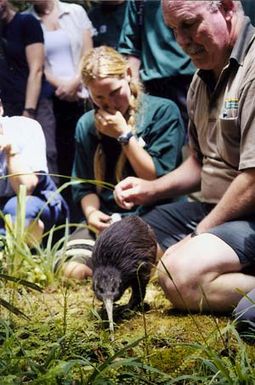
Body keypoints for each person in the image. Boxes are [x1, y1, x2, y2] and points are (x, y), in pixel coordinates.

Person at [114, 0, 255, 313]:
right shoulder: (201, 79)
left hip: (248, 216)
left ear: (228, 8)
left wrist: (200, 233)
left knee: (177, 276)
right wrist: (150, 189)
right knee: (126, 241)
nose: (181, 40)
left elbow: (252, 180)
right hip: (213, 208)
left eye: (189, 24)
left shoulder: (252, 72)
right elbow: (198, 162)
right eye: (173, 30)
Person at [60, 45, 185, 280]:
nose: (110, 103)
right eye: (99, 97)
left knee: (124, 266)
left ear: (128, 74)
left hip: (152, 213)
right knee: (74, 272)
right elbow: (83, 185)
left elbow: (154, 178)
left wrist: (124, 136)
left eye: (115, 92)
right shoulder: (86, 125)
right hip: (106, 218)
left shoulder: (162, 112)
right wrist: (91, 214)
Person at [27, 0, 94, 209]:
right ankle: (68, 210)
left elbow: (88, 51)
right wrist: (62, 86)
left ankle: (90, 204)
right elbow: (36, 64)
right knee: (61, 155)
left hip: (83, 93)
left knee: (87, 150)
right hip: (52, 99)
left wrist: (75, 81)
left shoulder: (75, 11)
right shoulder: (28, 20)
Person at [0, 0, 58, 178]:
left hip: (36, 102)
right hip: (8, 105)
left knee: (46, 153)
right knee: (13, 155)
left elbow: (36, 69)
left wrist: (29, 110)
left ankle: (50, 200)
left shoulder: (26, 22)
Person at [0, 99, 69, 244]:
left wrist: (10, 150)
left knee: (18, 209)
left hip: (37, 200)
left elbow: (26, 186)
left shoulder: (25, 128)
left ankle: (23, 261)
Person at [118, 0, 195, 128]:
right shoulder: (137, 2)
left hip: (191, 80)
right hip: (153, 86)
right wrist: (135, 92)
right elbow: (131, 49)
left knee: (197, 136)